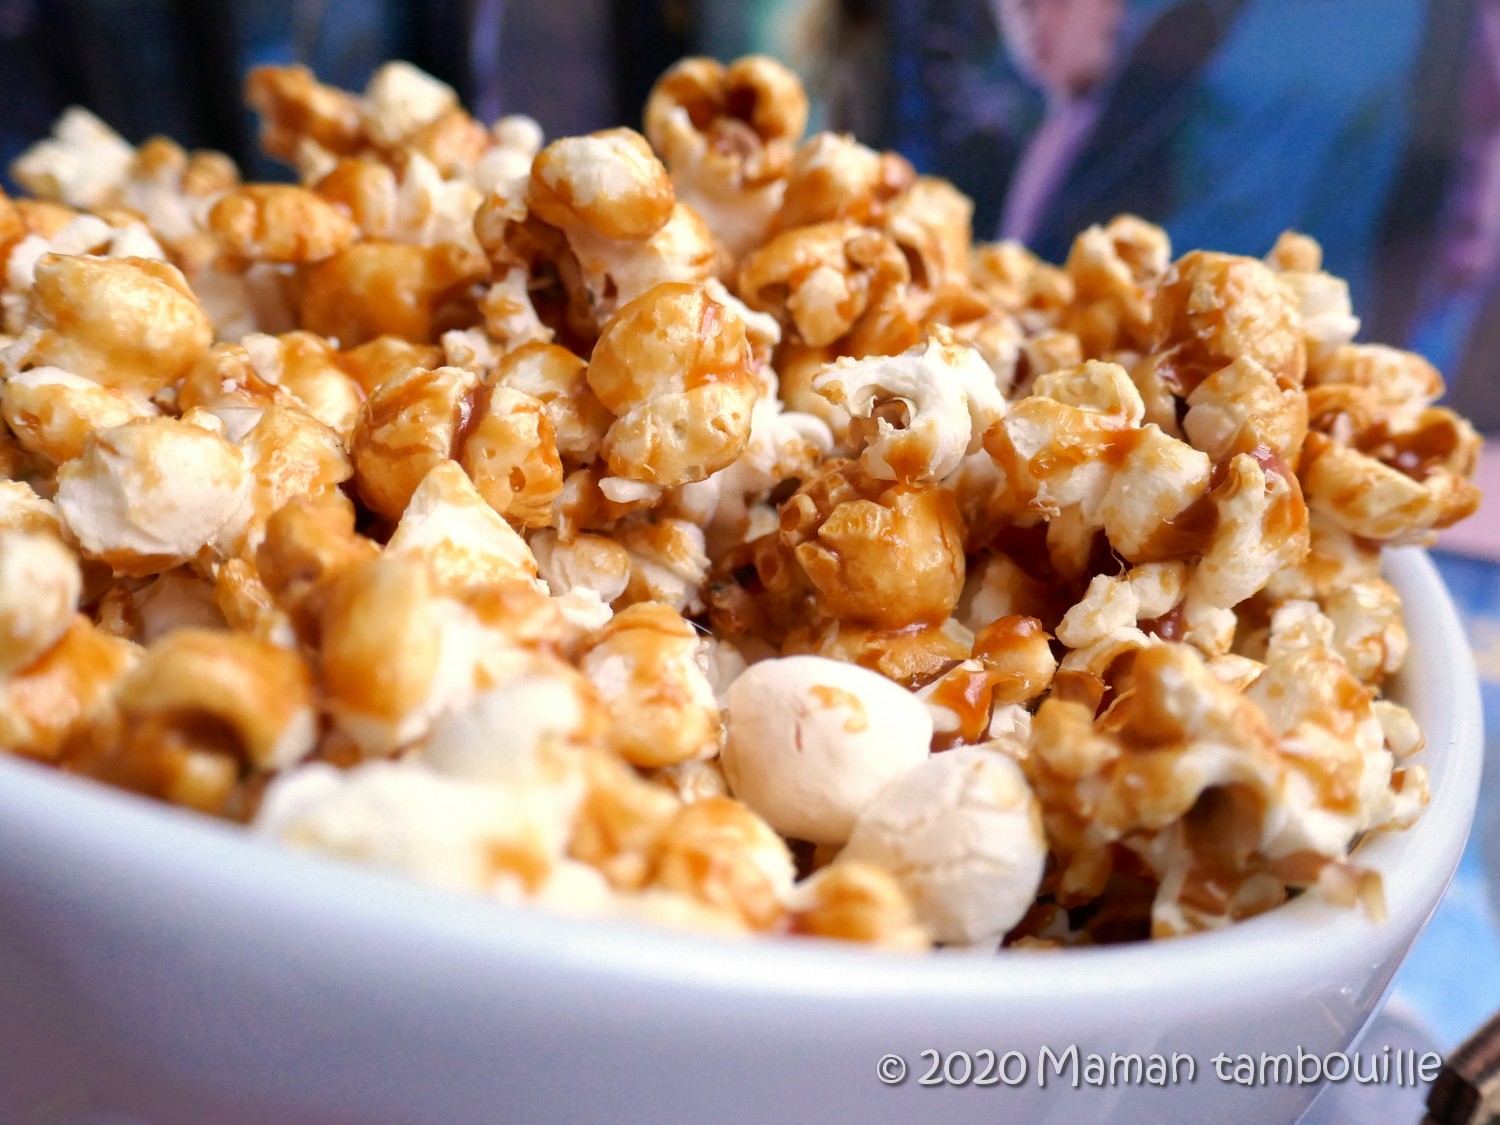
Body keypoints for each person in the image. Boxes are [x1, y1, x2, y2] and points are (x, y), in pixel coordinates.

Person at [990, 0, 1233, 263]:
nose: (1036, 25)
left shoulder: (1155, 83)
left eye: (1059, 4)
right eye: (1019, 9)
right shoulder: (1046, 144)